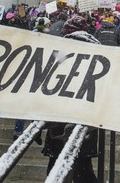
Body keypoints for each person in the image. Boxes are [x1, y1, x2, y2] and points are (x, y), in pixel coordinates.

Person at [42, 14, 99, 182]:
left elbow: (44, 83)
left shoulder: (59, 51)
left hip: (59, 119)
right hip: (84, 120)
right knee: (83, 170)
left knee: (56, 169)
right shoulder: (97, 50)